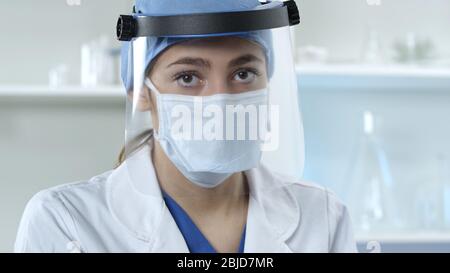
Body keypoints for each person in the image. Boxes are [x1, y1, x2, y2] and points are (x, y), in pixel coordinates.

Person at [14, 0, 356, 253]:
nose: (220, 99)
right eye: (188, 77)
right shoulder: (66, 223)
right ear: (141, 92)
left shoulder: (323, 218)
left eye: (243, 73)